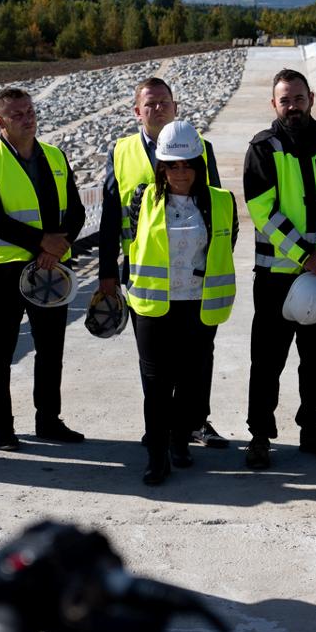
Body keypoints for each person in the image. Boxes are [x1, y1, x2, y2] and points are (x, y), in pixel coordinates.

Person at [101, 77, 228, 449]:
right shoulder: (121, 151)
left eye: (164, 103)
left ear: (176, 107)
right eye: (150, 104)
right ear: (136, 111)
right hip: (145, 274)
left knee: (197, 357)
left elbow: (218, 210)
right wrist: (107, 273)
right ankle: (159, 428)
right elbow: (111, 216)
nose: (158, 109)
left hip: (195, 277)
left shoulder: (200, 147)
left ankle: (194, 422)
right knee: (154, 362)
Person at [0, 87, 87, 450]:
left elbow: (76, 211)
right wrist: (40, 243)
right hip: (5, 271)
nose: (27, 118)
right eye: (17, 114)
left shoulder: (54, 155)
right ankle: (2, 428)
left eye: (30, 111)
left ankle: (48, 419)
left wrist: (58, 245)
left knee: (51, 349)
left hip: (51, 270)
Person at [241, 69, 316, 469]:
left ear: (311, 99)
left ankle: (311, 427)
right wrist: (304, 253)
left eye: (299, 98)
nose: (292, 106)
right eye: (285, 100)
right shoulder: (263, 148)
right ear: (274, 104)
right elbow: (262, 211)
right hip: (277, 276)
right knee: (267, 359)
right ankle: (259, 434)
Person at [121, 120, 238, 485]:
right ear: (161, 167)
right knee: (156, 386)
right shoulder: (143, 200)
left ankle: (179, 439)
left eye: (187, 164)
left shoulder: (221, 202)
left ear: (199, 165)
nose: (180, 171)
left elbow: (226, 244)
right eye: (172, 165)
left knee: (190, 383)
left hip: (199, 307)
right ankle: (158, 457)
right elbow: (130, 244)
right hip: (153, 307)